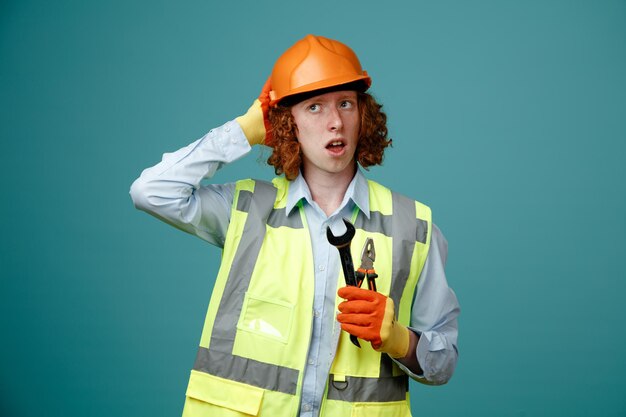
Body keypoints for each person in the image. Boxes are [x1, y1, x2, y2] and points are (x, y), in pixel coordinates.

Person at [130, 34, 460, 417]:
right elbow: (151, 191)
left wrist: (401, 341)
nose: (335, 122)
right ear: (289, 123)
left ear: (362, 115)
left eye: (346, 104)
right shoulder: (246, 209)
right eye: (314, 107)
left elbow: (444, 362)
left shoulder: (414, 226)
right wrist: (244, 130)